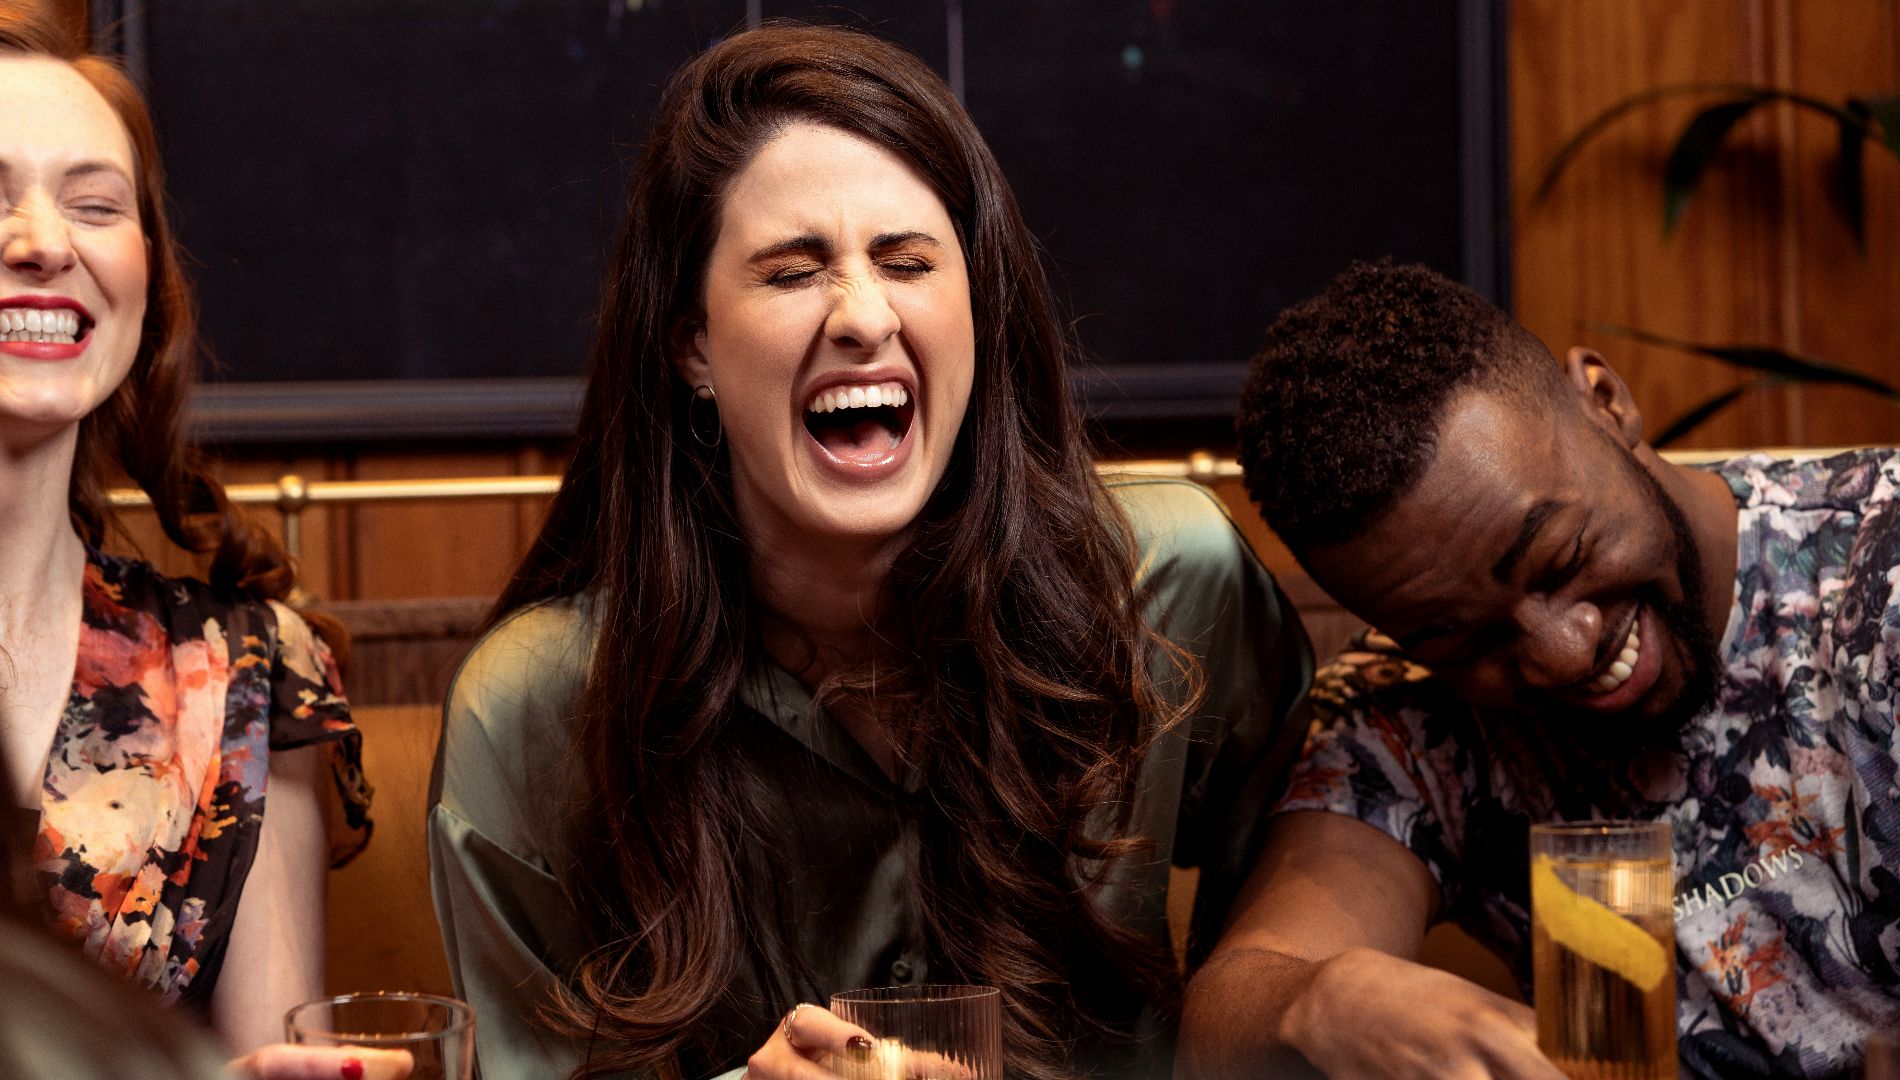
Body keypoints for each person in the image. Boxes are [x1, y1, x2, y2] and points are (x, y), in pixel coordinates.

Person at [428, 22, 1314, 1080]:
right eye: (792, 272)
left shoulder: (1171, 584)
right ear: (691, 347)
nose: (862, 315)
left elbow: (1302, 942)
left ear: (976, 310)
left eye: (906, 262)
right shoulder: (534, 708)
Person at [1190, 259, 1900, 1079]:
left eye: (1561, 555)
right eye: (1463, 640)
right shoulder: (1410, 714)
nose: (1565, 653)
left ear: (1607, 403)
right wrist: (1318, 999)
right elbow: (1229, 1012)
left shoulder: (1896, 575)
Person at [0, 6, 380, 1070]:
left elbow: (274, 1056)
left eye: (94, 203)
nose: (42, 240)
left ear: (147, 276)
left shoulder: (246, 673)